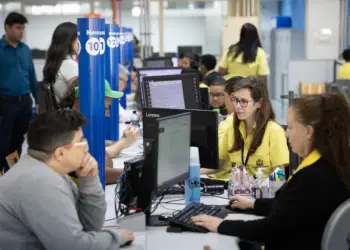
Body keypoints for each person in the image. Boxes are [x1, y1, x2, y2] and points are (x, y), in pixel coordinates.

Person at [192, 93, 350, 250]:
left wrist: (221, 225)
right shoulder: (333, 163)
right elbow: (296, 209)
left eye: (291, 127)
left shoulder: (312, 177)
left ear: (308, 131)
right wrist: (253, 204)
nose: (287, 132)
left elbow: (271, 229)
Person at [0, 110, 134, 249]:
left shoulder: (52, 171)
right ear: (60, 153)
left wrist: (89, 180)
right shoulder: (41, 182)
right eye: (81, 142)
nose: (86, 148)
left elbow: (89, 226)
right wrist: (116, 237)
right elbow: (72, 246)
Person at [202, 76, 289, 180]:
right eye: (235, 100)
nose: (237, 106)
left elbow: (280, 175)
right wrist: (191, 172)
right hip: (235, 191)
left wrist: (260, 189)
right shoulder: (230, 126)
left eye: (244, 101)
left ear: (259, 103)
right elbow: (219, 164)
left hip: (262, 193)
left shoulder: (274, 131)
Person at [72, 80, 138, 184]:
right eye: (105, 108)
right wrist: (136, 172)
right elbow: (98, 173)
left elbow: (103, 159)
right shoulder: (71, 132)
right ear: (86, 103)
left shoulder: (79, 126)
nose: (107, 115)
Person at [0, 12, 38, 173]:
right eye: (17, 28)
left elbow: (32, 75)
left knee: (18, 139)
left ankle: (12, 172)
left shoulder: (25, 49)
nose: (21, 31)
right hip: (5, 102)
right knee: (3, 139)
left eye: (22, 28)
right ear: (7, 28)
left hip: (25, 102)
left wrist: (38, 99)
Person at [43, 22, 78, 105]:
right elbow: (79, 96)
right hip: (72, 115)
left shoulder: (57, 62)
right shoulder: (69, 64)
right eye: (78, 38)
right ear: (69, 41)